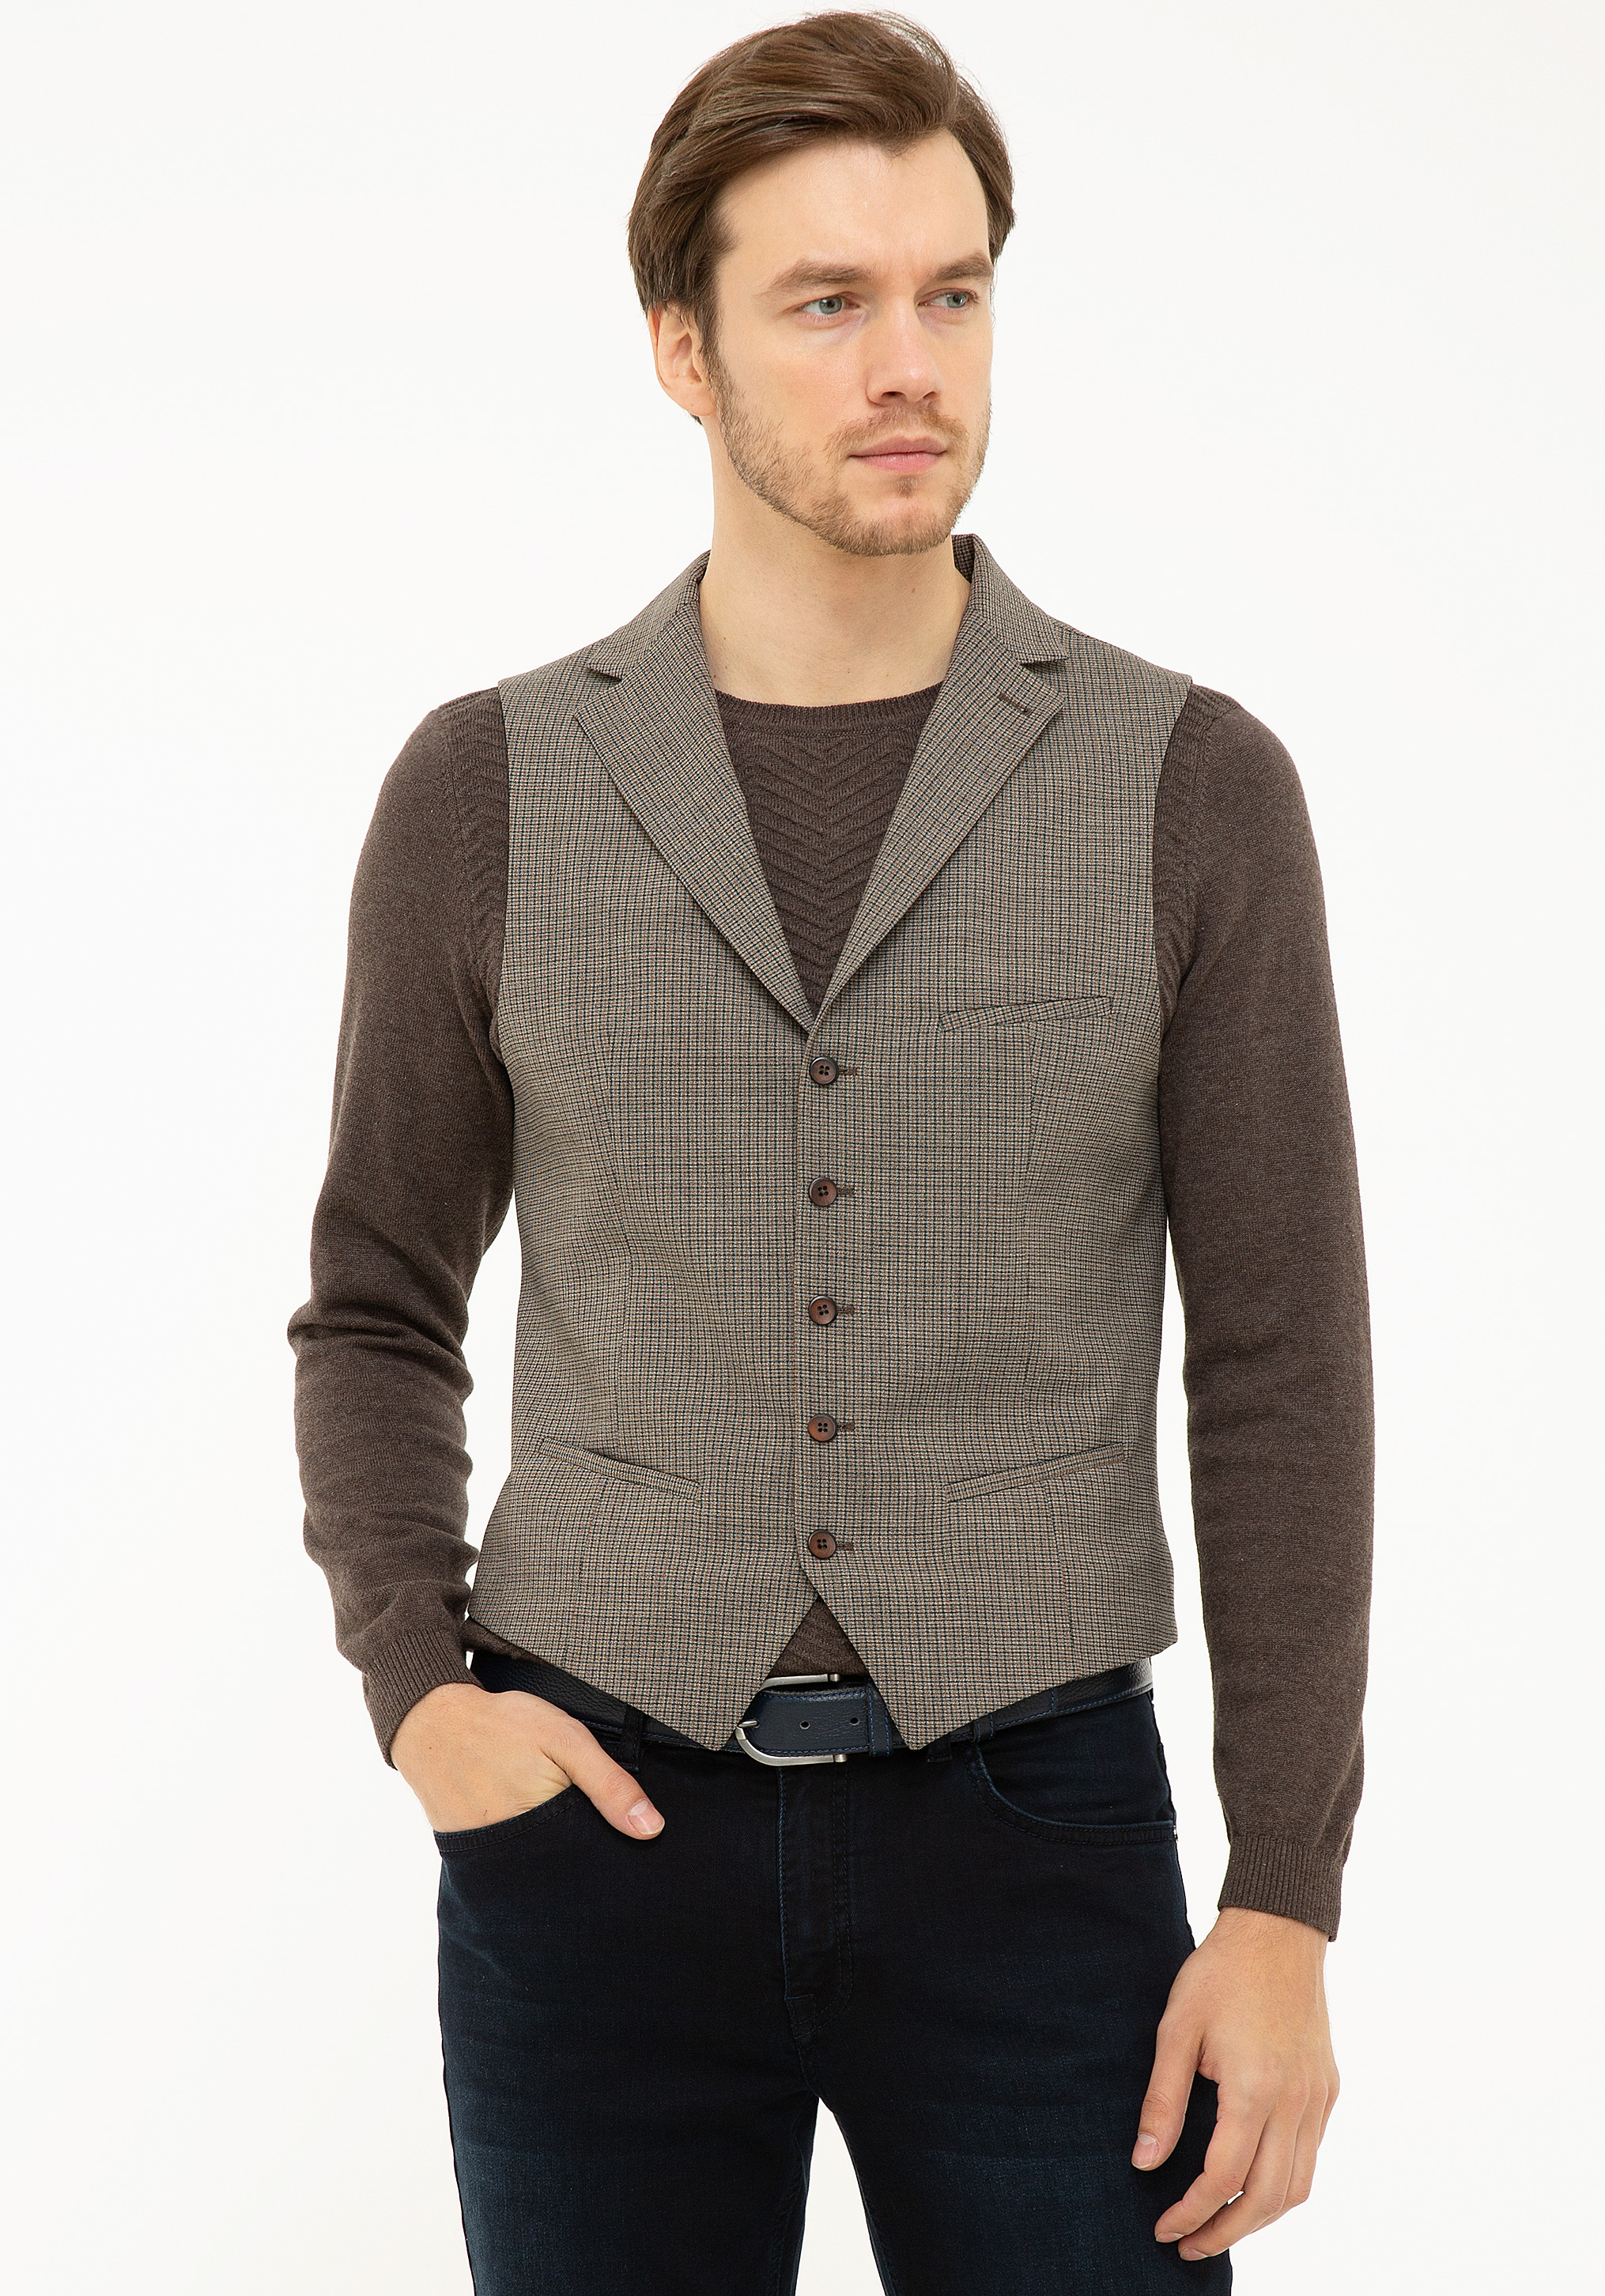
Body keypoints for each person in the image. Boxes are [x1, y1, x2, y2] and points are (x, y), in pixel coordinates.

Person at [287, 13, 1373, 2291]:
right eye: (827, 302)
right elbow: (377, 1301)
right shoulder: (488, 787)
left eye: (951, 293)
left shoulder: (1189, 785)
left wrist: (1282, 1896)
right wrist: (421, 1698)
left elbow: (1280, 1363)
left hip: (1038, 1834)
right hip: (593, 1828)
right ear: (679, 349)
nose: (908, 365)